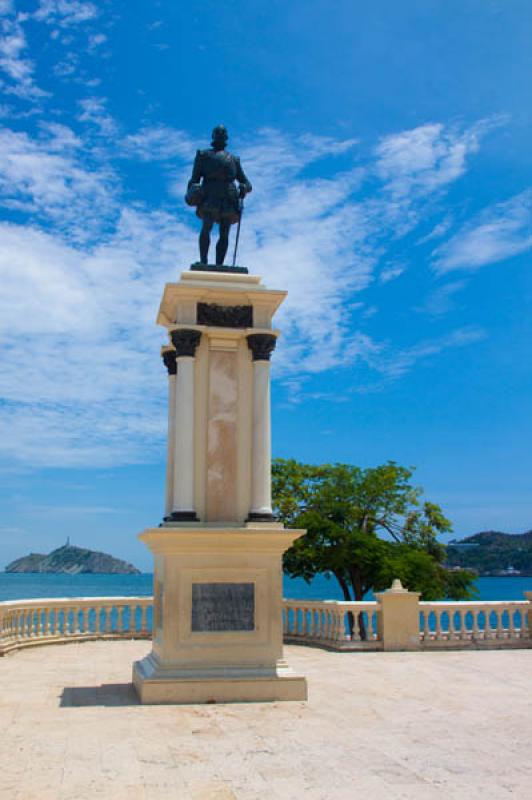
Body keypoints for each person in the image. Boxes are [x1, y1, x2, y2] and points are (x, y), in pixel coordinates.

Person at [186, 125, 252, 265]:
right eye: (218, 132)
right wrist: (191, 192)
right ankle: (204, 262)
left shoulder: (234, 160)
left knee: (224, 232)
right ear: (213, 135)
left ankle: (219, 265)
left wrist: (244, 187)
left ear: (226, 137)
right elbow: (194, 180)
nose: (220, 135)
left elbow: (247, 182)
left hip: (228, 197)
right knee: (207, 227)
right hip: (210, 195)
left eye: (223, 133)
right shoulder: (204, 156)